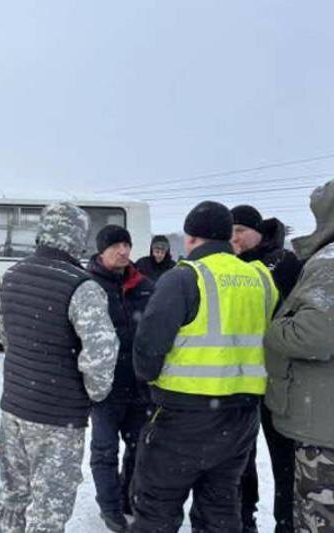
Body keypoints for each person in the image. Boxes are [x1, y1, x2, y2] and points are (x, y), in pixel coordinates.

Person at [130, 201, 278, 532]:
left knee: (156, 509)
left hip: (184, 415)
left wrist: (147, 381)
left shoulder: (184, 277)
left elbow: (148, 348)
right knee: (221, 507)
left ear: (191, 238)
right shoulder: (261, 278)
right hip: (241, 418)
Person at [0, 201, 119, 533]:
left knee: (12, 497)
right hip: (59, 418)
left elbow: (4, 336)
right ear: (78, 237)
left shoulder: (10, 276)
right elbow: (101, 354)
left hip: (14, 407)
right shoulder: (82, 286)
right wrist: (94, 394)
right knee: (49, 510)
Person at [264, 179, 334, 532]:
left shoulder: (329, 263)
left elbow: (315, 336)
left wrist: (273, 326)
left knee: (317, 519)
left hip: (324, 429)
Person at [230, 204, 302, 533]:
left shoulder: (283, 262)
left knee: (284, 458)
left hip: (279, 378)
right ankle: (245, 519)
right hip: (240, 377)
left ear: (258, 231)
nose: (235, 237)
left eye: (241, 230)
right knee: (240, 456)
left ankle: (285, 522)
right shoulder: (228, 265)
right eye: (230, 231)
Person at [87, 225, 155, 532]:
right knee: (104, 451)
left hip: (141, 385)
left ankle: (130, 498)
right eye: (115, 246)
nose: (123, 251)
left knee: (140, 449)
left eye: (126, 245)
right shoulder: (87, 286)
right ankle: (110, 506)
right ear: (101, 250)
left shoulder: (145, 285)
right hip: (104, 387)